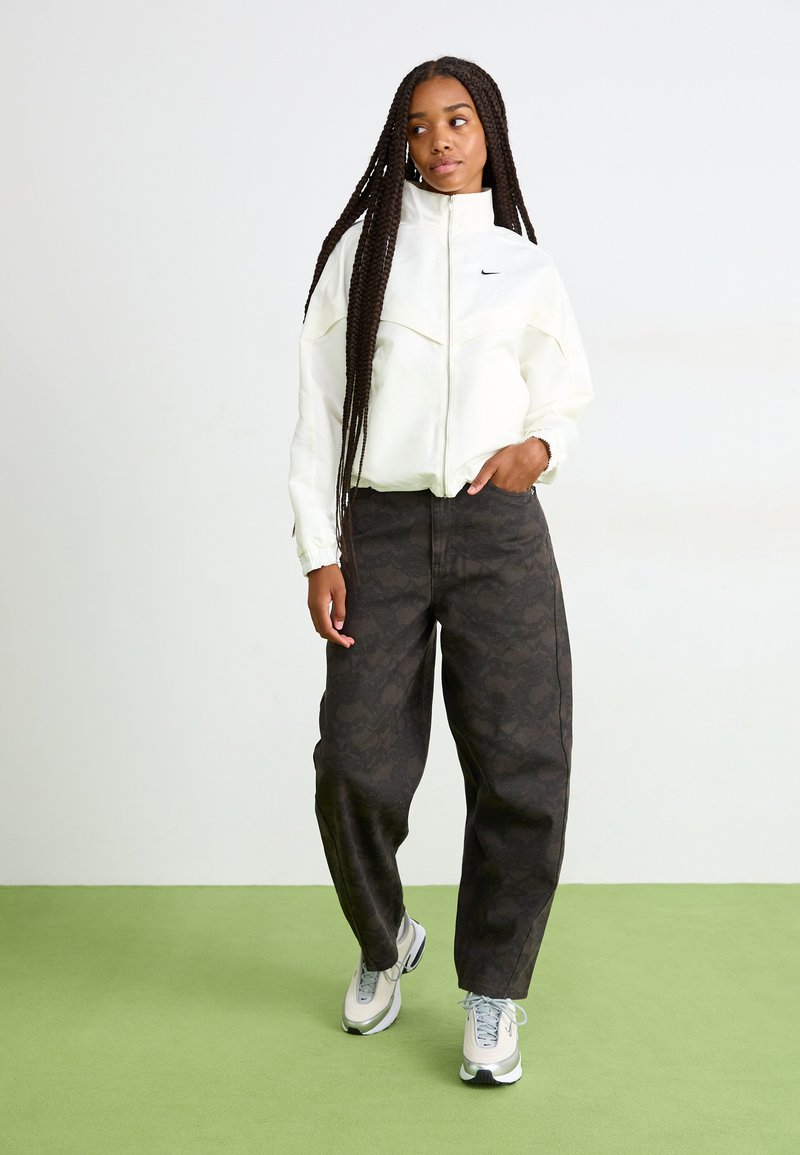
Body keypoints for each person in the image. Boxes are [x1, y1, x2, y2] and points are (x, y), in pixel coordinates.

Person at [287, 55, 593, 1086]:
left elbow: (563, 396)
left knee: (521, 764)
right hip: (377, 529)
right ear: (401, 143)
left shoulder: (524, 266)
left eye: (457, 120)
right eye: (419, 127)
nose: (439, 141)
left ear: (488, 131)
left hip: (496, 530)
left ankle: (493, 991)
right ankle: (385, 939)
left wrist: (539, 449)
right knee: (354, 763)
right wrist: (319, 550)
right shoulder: (361, 258)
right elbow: (318, 410)